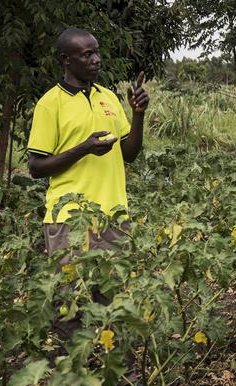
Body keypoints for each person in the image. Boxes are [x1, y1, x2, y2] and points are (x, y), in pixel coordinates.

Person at [26, 28, 148, 335]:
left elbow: (128, 154)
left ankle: (117, 374)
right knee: (71, 303)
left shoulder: (107, 97)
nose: (96, 59)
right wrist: (83, 149)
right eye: (87, 54)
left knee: (113, 302)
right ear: (66, 60)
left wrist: (138, 114)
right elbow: (36, 167)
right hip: (69, 220)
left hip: (114, 216)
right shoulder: (50, 104)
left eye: (96, 52)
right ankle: (72, 375)